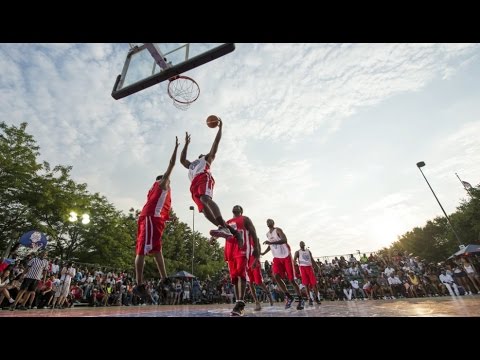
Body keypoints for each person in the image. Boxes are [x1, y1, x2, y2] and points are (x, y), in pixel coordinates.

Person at [180, 120, 243, 246]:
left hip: (204, 177)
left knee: (205, 199)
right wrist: (186, 144)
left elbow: (215, 144)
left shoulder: (207, 159)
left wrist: (220, 129)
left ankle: (225, 228)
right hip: (193, 185)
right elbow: (182, 160)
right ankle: (232, 232)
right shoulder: (192, 164)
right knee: (204, 211)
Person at [135, 136, 179, 298]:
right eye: (167, 179)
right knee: (142, 251)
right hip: (150, 220)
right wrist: (176, 148)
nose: (169, 182)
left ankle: (164, 279)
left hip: (155, 219)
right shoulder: (162, 184)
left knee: (157, 250)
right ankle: (139, 284)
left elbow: (159, 206)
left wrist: (168, 218)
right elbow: (172, 164)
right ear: (162, 180)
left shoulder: (157, 191)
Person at [218, 205, 259, 316]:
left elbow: (254, 232)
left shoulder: (245, 219)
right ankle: (237, 302)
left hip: (242, 247)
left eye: (238, 206)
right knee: (234, 277)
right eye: (234, 206)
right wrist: (213, 237)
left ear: (241, 211)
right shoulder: (227, 221)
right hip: (230, 250)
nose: (236, 206)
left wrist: (257, 248)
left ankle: (241, 303)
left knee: (241, 274)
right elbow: (221, 231)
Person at [262, 219, 305, 310]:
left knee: (291, 280)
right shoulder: (268, 234)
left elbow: (284, 240)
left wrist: (271, 242)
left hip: (286, 256)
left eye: (270, 221)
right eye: (267, 221)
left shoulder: (278, 230)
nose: (268, 221)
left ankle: (301, 300)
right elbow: (271, 246)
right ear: (266, 224)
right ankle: (288, 296)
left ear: (273, 223)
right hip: (277, 257)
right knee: (276, 276)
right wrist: (263, 253)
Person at [293, 241, 322, 305]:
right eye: (300, 243)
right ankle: (310, 299)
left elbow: (312, 259)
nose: (301, 244)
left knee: (314, 284)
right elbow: (294, 259)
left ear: (304, 244)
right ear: (299, 245)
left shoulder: (308, 251)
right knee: (306, 285)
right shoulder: (297, 252)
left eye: (302, 243)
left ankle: (317, 298)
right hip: (302, 268)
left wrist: (317, 266)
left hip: (309, 267)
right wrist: (295, 265)